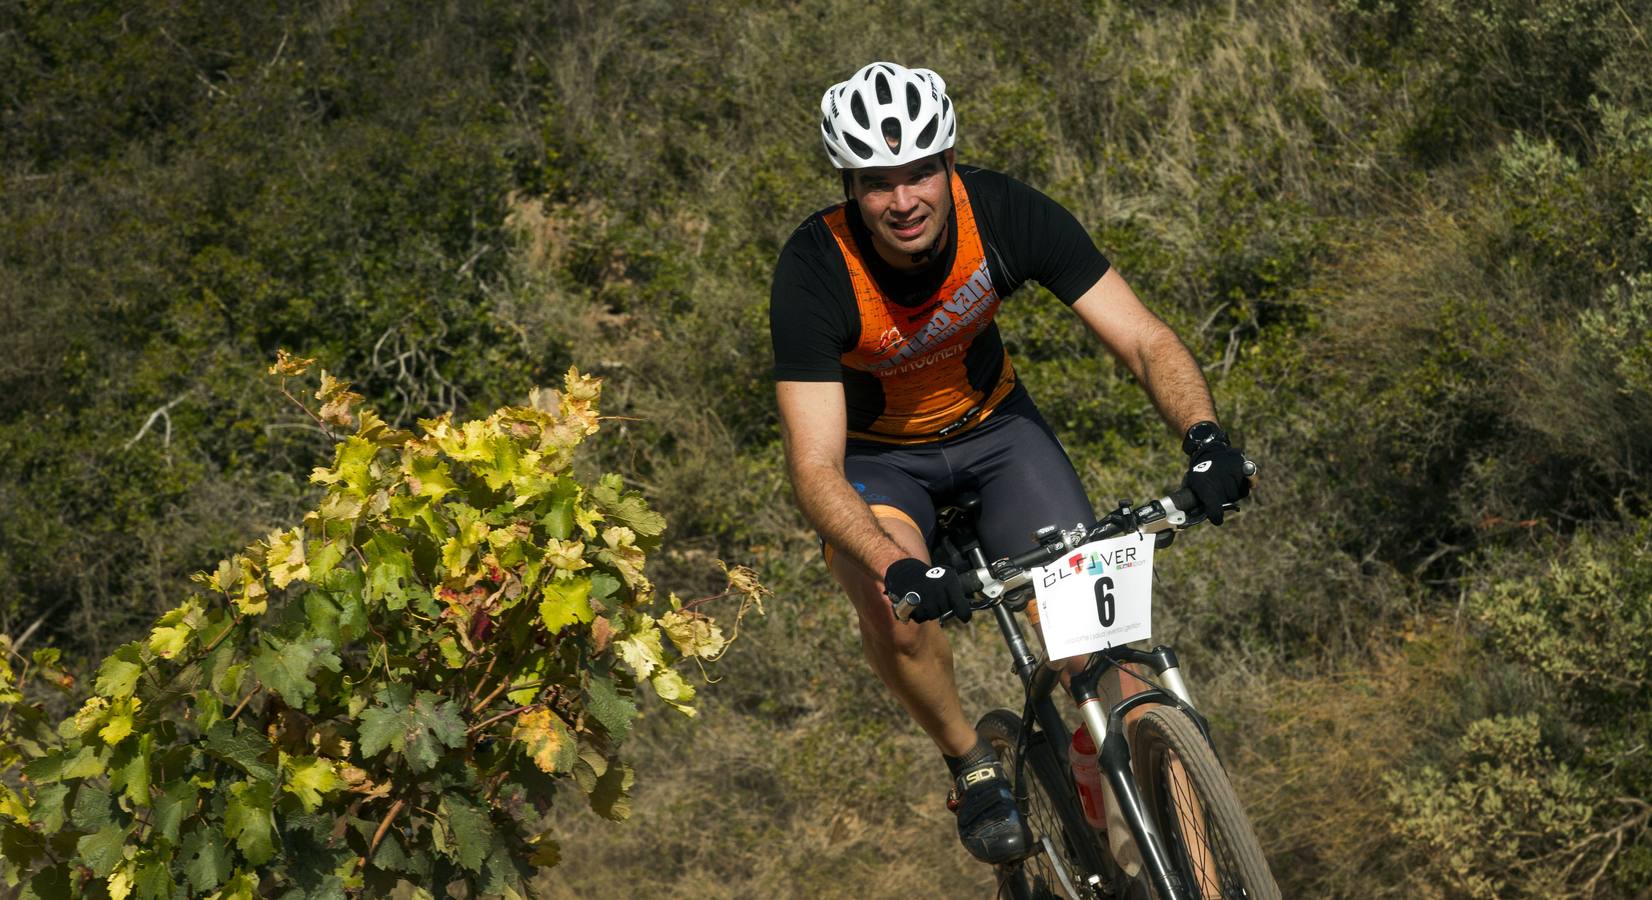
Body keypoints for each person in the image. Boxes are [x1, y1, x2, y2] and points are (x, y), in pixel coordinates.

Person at [768, 61, 1252, 865]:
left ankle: (1182, 853)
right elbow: (815, 467)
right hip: (879, 466)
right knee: (895, 609)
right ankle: (968, 757)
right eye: (879, 181)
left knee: (1102, 657)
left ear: (950, 162)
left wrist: (1206, 437)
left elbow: (1144, 338)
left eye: (922, 169)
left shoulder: (1002, 213)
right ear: (850, 187)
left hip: (998, 436)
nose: (905, 199)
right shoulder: (815, 269)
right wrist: (898, 568)